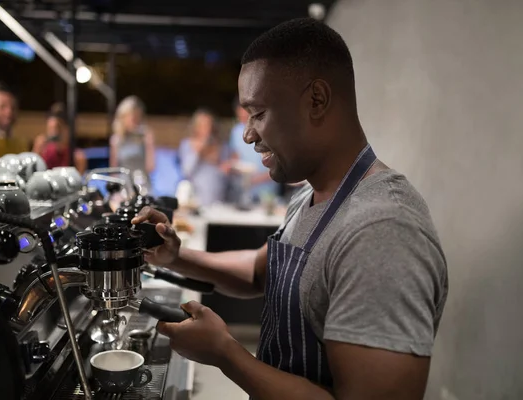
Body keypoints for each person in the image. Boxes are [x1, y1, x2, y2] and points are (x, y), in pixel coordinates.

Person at [134, 18, 447, 400]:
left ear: (317, 99)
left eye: (259, 113)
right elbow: (257, 273)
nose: (248, 134)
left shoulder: (382, 231)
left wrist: (225, 353)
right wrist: (176, 257)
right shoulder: (309, 194)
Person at [227, 98, 278, 203]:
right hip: (246, 192)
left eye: (244, 113)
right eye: (239, 114)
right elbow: (235, 156)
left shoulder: (267, 130)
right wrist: (231, 165)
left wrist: (255, 180)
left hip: (267, 192)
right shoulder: (236, 131)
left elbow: (278, 164)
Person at [177, 108, 230, 207]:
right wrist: (198, 152)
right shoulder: (187, 145)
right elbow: (186, 171)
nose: (207, 128)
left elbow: (224, 174)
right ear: (196, 127)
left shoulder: (221, 146)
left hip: (218, 198)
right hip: (196, 198)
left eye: (209, 125)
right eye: (203, 125)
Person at [109, 96, 155, 185]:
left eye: (138, 117)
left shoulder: (144, 137)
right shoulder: (116, 140)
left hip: (141, 182)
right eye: (132, 117)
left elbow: (151, 167)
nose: (135, 120)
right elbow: (113, 172)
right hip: (123, 184)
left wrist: (149, 144)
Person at [32, 103, 87, 174]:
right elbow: (32, 173)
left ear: (67, 129)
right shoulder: (42, 148)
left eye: (57, 129)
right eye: (50, 129)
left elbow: (78, 181)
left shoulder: (77, 157)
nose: (53, 134)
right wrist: (36, 153)